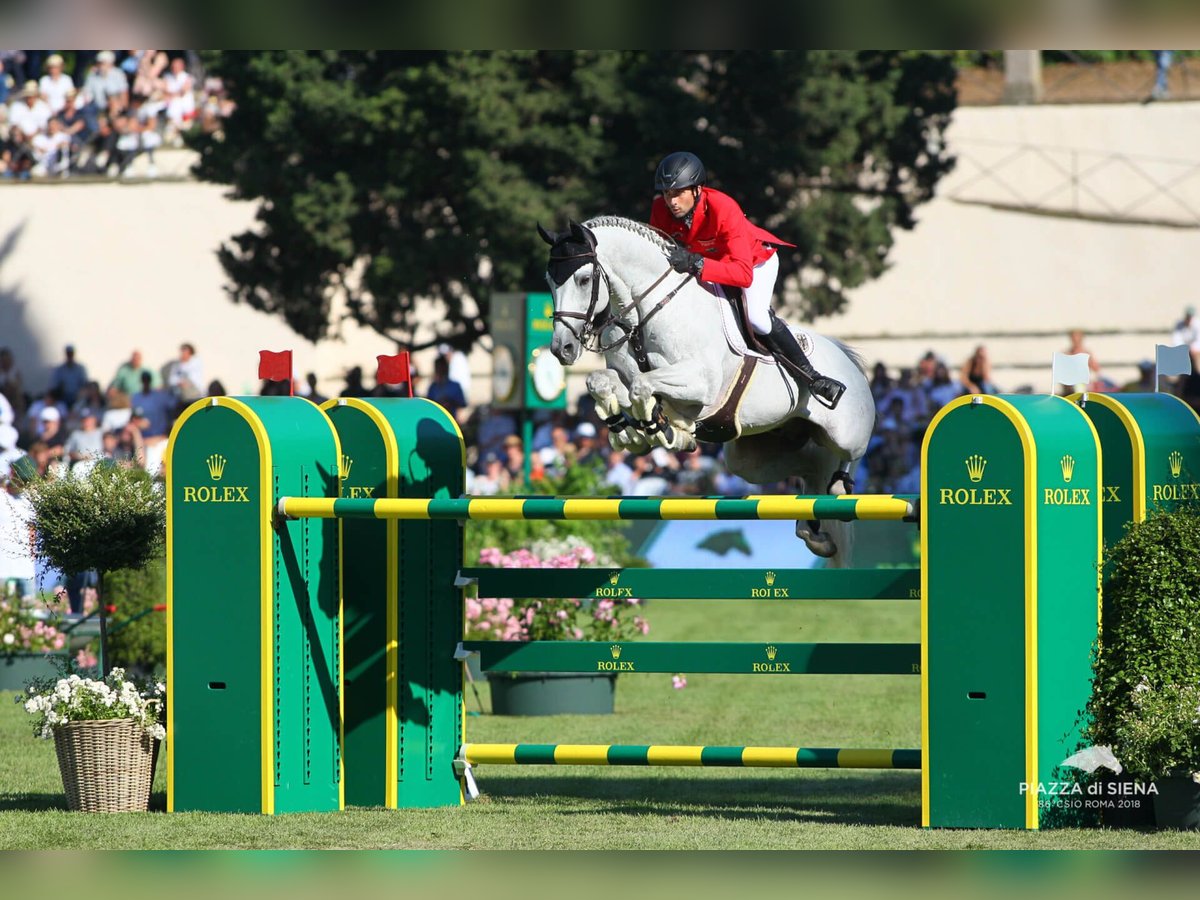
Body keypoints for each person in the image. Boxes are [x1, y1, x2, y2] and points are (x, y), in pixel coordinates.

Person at [648, 151, 845, 407]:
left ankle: (813, 377)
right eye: (666, 193)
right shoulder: (659, 210)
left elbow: (742, 274)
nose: (671, 201)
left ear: (697, 189)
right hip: (708, 265)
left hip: (754, 262)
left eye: (677, 193)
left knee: (756, 318)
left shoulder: (723, 208)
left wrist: (696, 263)